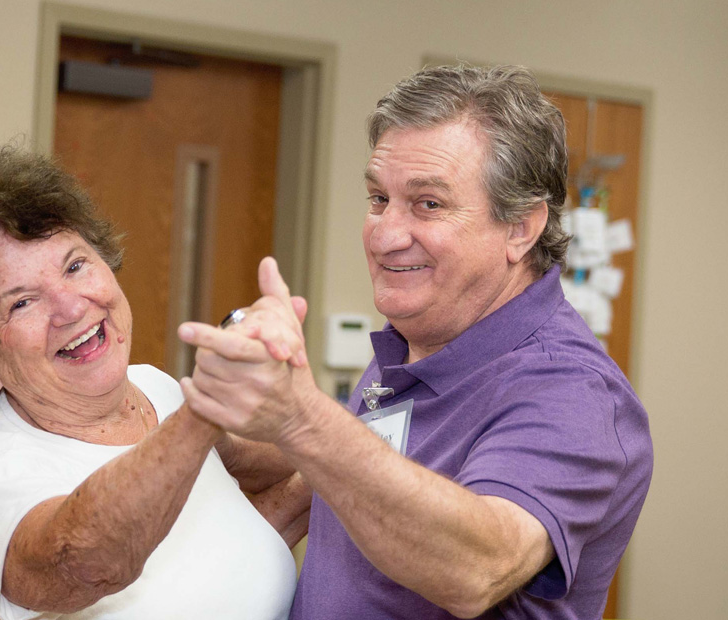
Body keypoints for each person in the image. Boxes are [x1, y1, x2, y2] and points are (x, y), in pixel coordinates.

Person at [178, 65, 654, 618]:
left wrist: (300, 414)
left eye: (428, 203)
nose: (384, 235)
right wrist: (209, 425)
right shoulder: (418, 339)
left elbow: (478, 568)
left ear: (521, 228)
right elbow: (331, 481)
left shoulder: (573, 393)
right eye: (379, 199)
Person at [0, 145, 308, 619]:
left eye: (74, 266)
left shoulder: (155, 389)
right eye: (22, 302)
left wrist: (333, 412)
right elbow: (85, 563)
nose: (71, 307)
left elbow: (247, 506)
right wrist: (205, 410)